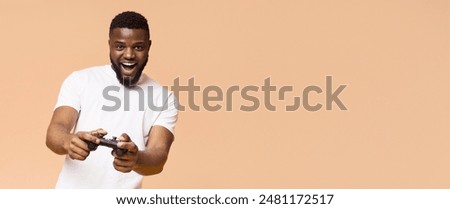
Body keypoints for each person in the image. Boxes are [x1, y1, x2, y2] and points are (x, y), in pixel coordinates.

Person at [46, 11, 178, 188]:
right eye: (120, 46)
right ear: (109, 45)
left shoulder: (164, 98)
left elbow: (159, 156)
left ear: (149, 47)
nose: (129, 55)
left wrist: (137, 159)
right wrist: (68, 141)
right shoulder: (80, 80)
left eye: (138, 47)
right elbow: (55, 130)